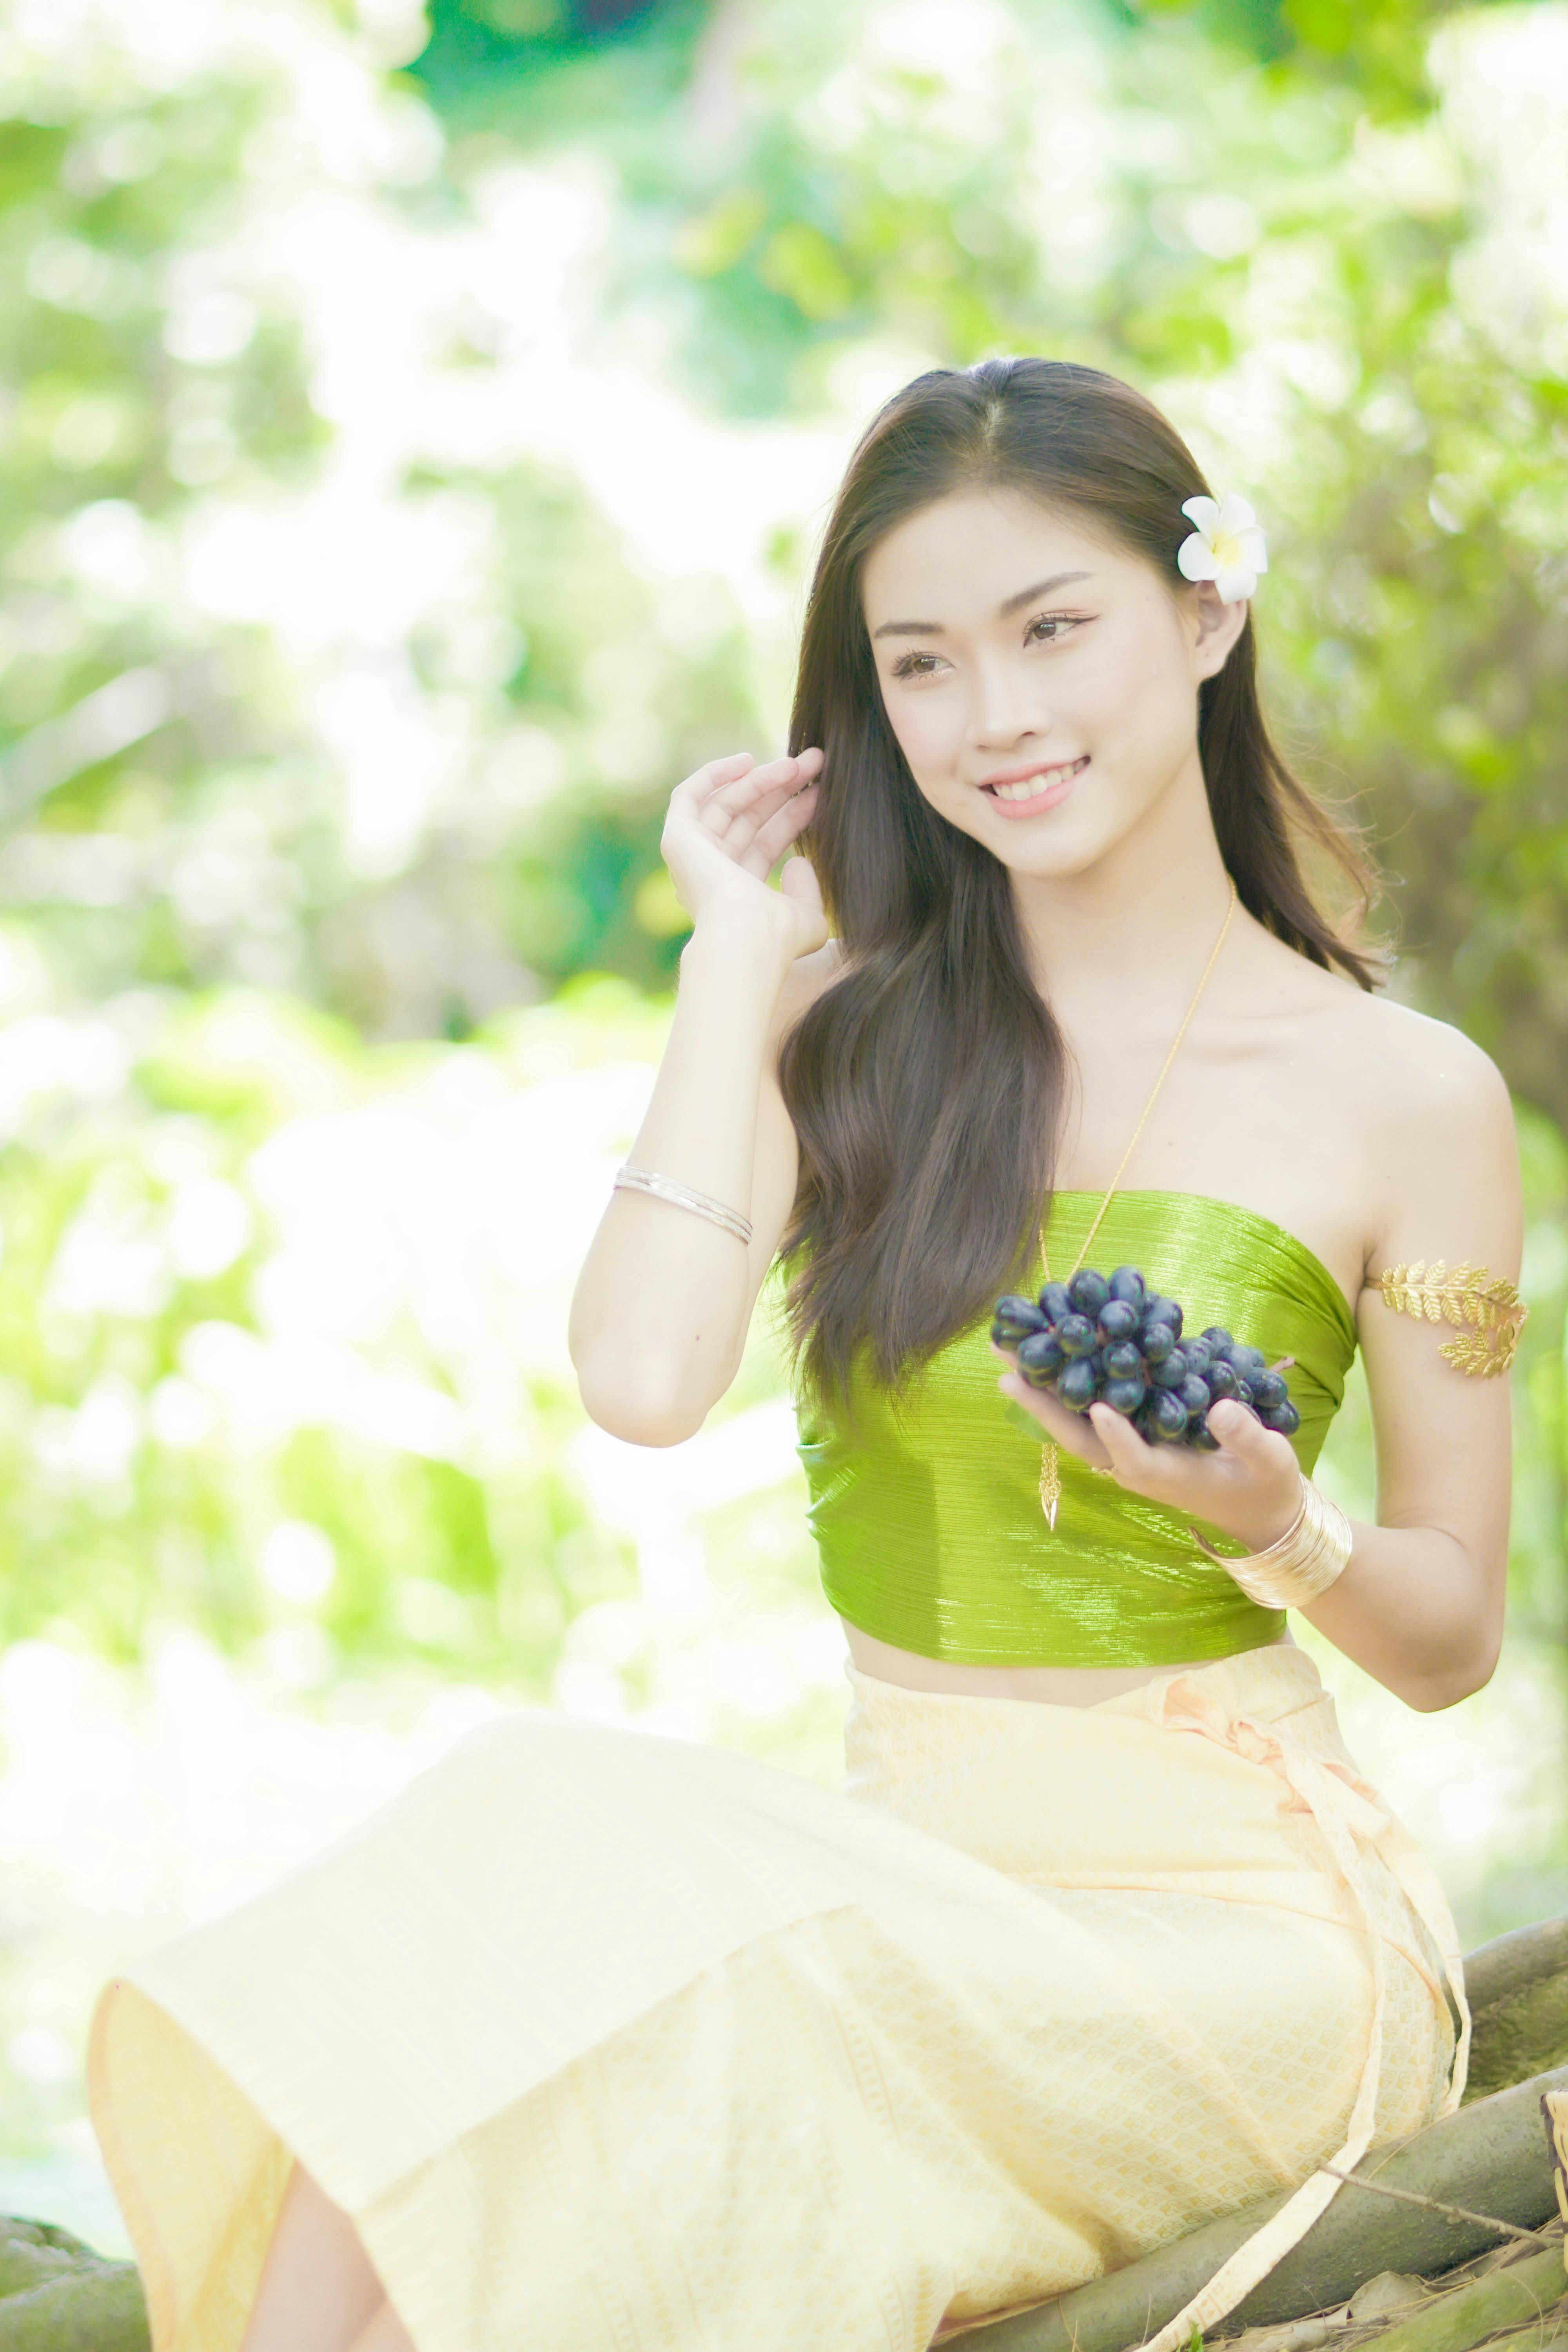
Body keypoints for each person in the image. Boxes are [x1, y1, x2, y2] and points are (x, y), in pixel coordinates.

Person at [86, 357, 1526, 2352]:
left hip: (1242, 1953)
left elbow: (1449, 1641)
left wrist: (1280, 1530)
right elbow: (646, 1380)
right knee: (535, 1909)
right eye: (922, 664)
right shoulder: (843, 1027)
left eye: (1053, 630)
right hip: (909, 1884)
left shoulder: (1403, 1097)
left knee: (690, 2019)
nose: (997, 716)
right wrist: (733, 961)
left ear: (1205, 614)